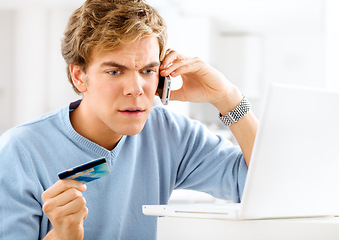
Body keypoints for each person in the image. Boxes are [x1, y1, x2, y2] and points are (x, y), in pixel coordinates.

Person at [0, 0, 258, 239]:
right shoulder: (19, 151)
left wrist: (227, 98)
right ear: (80, 76)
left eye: (148, 70)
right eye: (114, 71)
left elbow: (263, 186)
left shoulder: (169, 133)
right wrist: (62, 235)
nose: (135, 88)